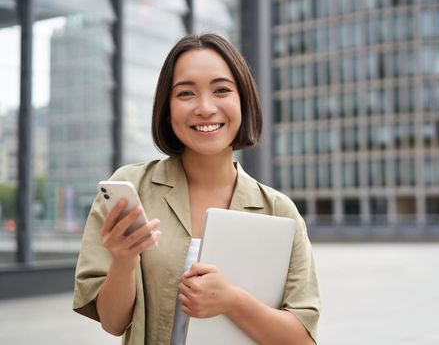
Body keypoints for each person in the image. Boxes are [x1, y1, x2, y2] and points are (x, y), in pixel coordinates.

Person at [73, 33, 320, 345]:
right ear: (167, 108)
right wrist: (123, 261)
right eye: (186, 93)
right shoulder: (132, 189)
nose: (205, 108)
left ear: (242, 99)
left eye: (221, 90)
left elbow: (303, 339)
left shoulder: (279, 212)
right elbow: (112, 322)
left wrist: (233, 301)